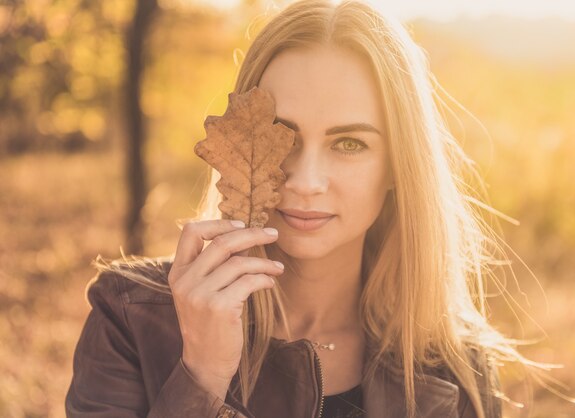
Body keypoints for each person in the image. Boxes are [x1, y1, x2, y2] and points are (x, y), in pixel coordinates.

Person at [66, 1, 541, 417]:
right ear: (236, 143)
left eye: (350, 143)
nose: (307, 182)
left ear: (399, 166)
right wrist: (200, 379)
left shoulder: (454, 365)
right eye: (283, 135)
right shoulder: (130, 318)